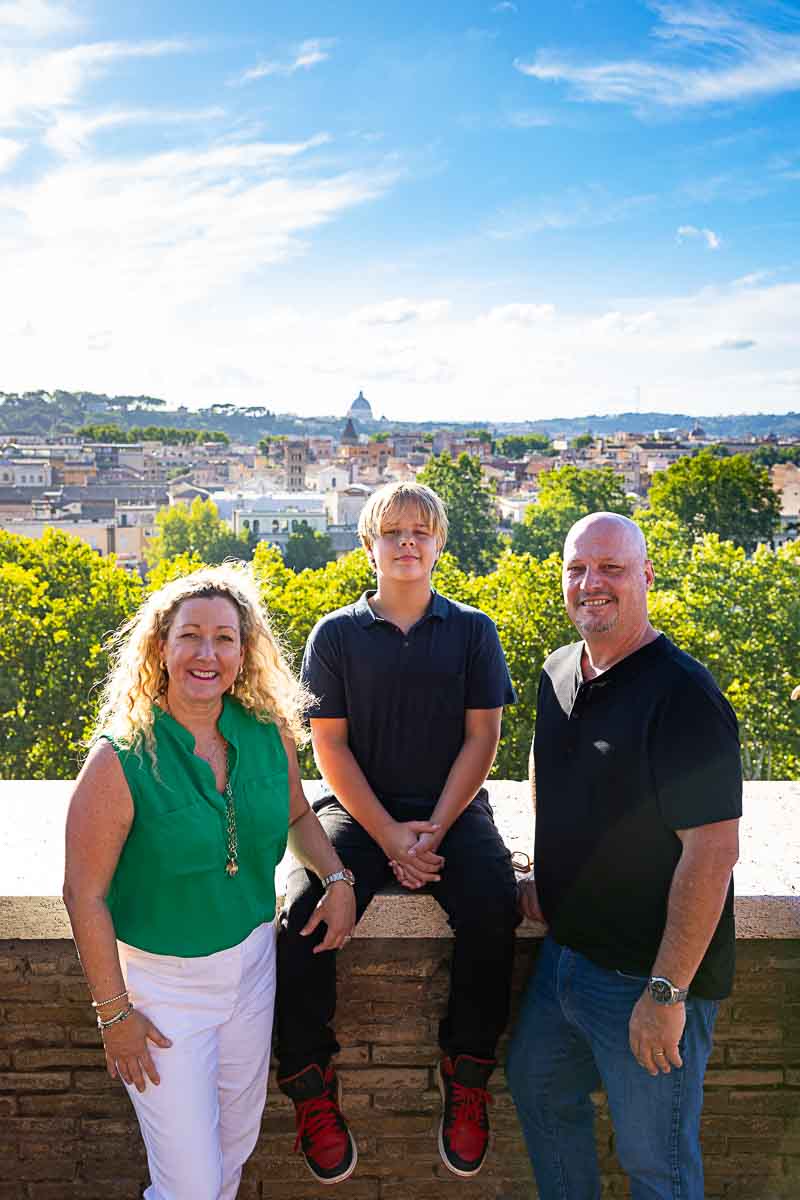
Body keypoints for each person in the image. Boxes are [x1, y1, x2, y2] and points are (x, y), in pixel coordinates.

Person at [63, 564, 355, 1200]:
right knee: (190, 1185)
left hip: (252, 973)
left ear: (244, 651)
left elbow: (297, 815)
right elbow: (82, 894)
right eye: (190, 635)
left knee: (231, 1151)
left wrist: (335, 876)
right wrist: (115, 1016)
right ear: (160, 648)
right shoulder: (120, 758)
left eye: (224, 638)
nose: (207, 653)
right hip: (161, 994)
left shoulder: (268, 734)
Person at [275, 481, 519, 1184]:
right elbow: (330, 750)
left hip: (453, 810)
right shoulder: (337, 634)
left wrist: (434, 831)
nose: (407, 542)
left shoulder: (473, 630)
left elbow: (482, 739)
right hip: (358, 810)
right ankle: (312, 1083)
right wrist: (389, 839)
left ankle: (466, 1072)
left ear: (440, 543)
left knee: (494, 908)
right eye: (392, 531)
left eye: (420, 531)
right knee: (301, 914)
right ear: (368, 545)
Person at [507, 512, 742, 1200]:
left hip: (647, 978)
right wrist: (541, 872)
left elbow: (712, 853)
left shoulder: (684, 697)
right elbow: (548, 772)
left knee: (656, 1165)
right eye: (577, 569)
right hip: (565, 963)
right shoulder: (557, 670)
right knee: (538, 1087)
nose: (591, 584)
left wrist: (666, 994)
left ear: (646, 577)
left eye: (611, 568)